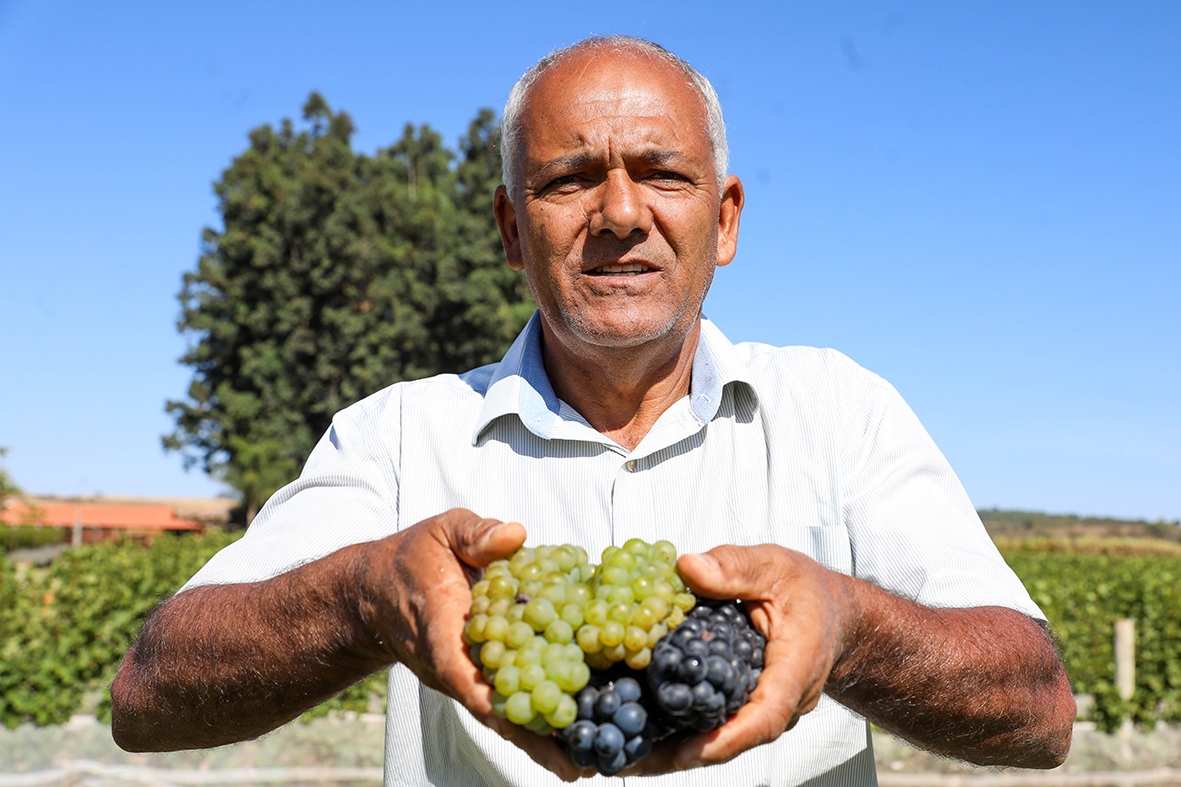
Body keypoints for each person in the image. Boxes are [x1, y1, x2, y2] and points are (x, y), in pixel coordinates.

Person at [111, 36, 1075, 786]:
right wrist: (364, 595)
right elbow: (149, 697)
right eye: (569, 179)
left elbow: (1038, 712)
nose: (618, 213)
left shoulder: (840, 412)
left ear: (726, 218)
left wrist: (852, 628)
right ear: (508, 230)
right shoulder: (400, 435)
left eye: (662, 172)